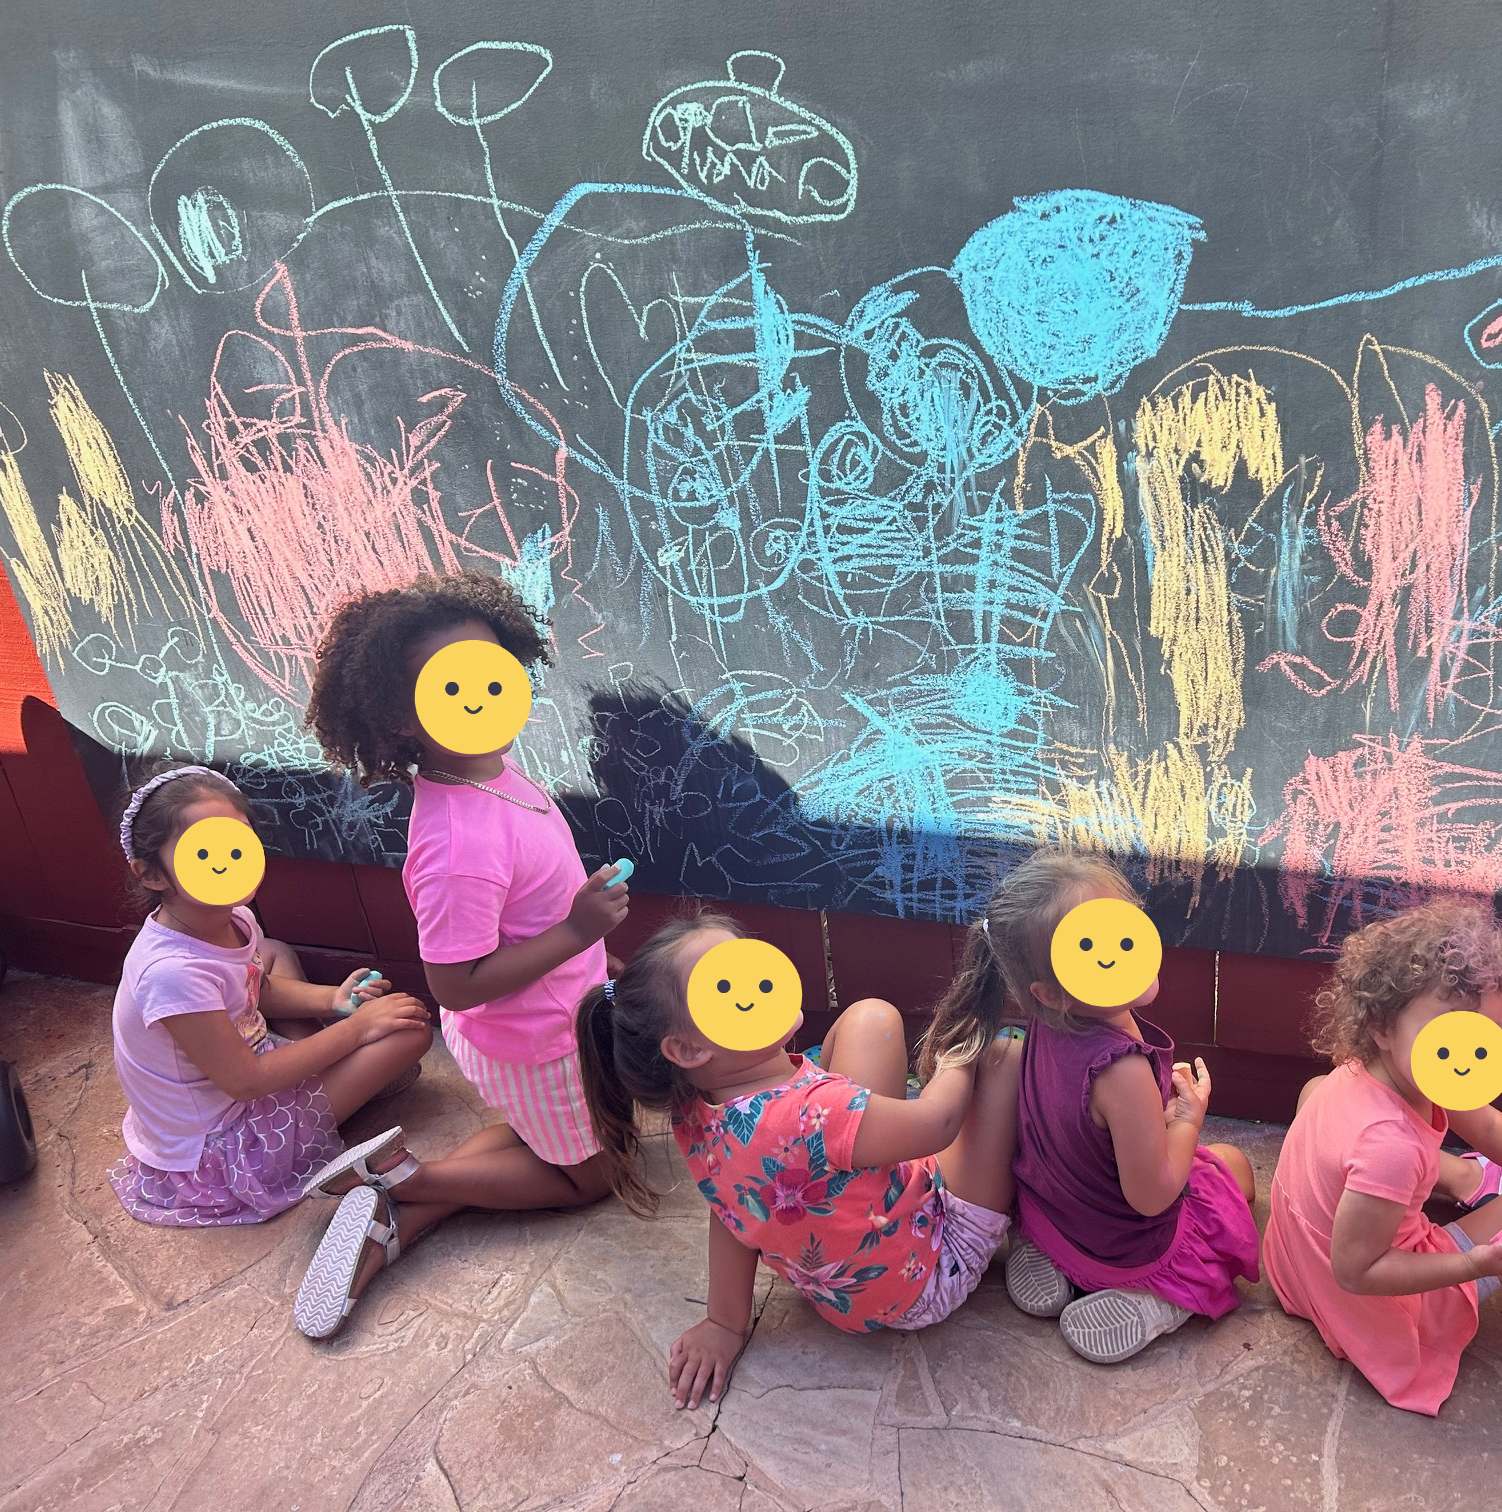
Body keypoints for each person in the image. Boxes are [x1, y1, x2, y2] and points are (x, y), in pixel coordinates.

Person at [293, 573, 629, 1339]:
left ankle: (394, 1212)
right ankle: (410, 1177)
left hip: (552, 1021)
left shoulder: (492, 778)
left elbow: (528, 910)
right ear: (397, 717)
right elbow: (456, 984)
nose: (480, 696)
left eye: (491, 675)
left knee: (538, 1138)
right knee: (594, 1177)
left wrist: (594, 959)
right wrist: (578, 934)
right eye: (452, 687)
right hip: (533, 1042)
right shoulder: (458, 843)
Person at [574, 912, 1022, 1406]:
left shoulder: (697, 1109)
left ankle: (879, 1127)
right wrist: (964, 1044)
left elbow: (733, 1209)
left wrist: (725, 1322)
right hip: (933, 1266)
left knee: (868, 1019)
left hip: (839, 1292)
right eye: (726, 987)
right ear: (687, 1047)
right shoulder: (815, 1115)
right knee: (1004, 1057)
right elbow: (938, 1125)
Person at [1263, 900, 1502, 1414]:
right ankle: (1491, 1177)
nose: (1465, 1056)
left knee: (1313, 1091)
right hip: (1367, 1301)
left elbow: (1482, 1122)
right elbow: (1357, 1272)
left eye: (1482, 1040)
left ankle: (1474, 1178)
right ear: (1383, 1024)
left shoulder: (1372, 1067)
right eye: (1447, 1038)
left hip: (1294, 1267)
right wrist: (1469, 1264)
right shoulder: (1390, 1147)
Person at [923, 849, 1259, 1364]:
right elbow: (1152, 1198)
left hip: (1056, 1218)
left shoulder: (1047, 1023)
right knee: (1234, 1170)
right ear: (1051, 991)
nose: (1126, 952)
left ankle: (1050, 1258)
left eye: (1127, 934)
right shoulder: (1121, 1071)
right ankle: (1155, 1304)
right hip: (1124, 1248)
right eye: (1100, 948)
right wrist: (1187, 1120)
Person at [107, 763, 430, 1227]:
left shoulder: (233, 918)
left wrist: (334, 1001)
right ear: (151, 874)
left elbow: (258, 987)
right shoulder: (171, 974)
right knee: (410, 1032)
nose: (227, 861)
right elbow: (247, 1081)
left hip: (243, 1064)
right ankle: (339, 1086)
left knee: (272, 953)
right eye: (203, 853)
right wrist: (357, 1030)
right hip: (227, 1148)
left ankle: (335, 1072)